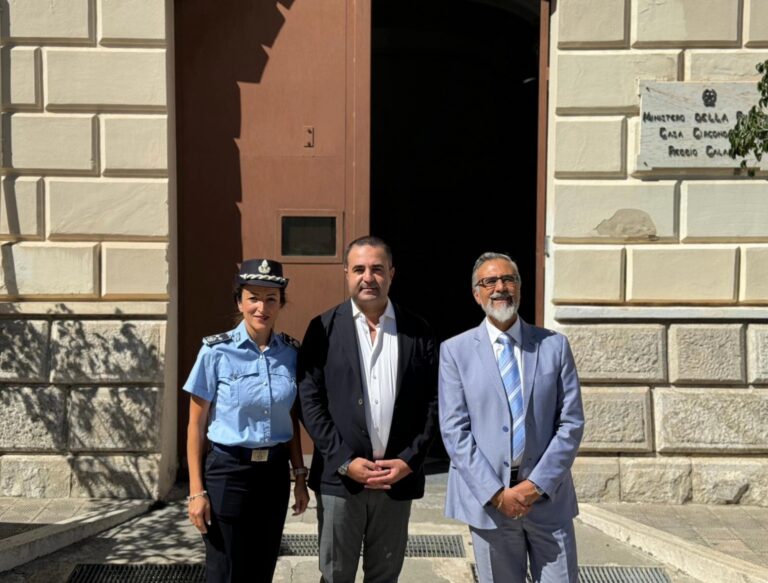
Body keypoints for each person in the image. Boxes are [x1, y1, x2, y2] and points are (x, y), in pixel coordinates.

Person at [298, 236, 439, 583]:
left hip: (396, 481)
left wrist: (410, 459)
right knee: (335, 576)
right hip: (340, 480)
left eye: (377, 269)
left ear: (391, 273)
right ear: (346, 273)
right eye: (359, 269)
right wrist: (344, 459)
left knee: (385, 577)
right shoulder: (322, 329)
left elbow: (435, 402)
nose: (368, 277)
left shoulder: (417, 331)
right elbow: (309, 401)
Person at [438, 252, 584, 583]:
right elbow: (454, 430)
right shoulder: (455, 351)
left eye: (509, 280)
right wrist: (497, 493)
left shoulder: (554, 346)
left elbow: (571, 423)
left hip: (548, 500)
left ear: (519, 288)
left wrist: (536, 485)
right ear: (476, 293)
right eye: (489, 281)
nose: (500, 288)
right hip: (489, 504)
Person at [184, 258, 310, 583]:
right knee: (225, 571)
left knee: (261, 567)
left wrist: (299, 475)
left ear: (281, 303)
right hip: (228, 473)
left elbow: (290, 417)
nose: (261, 307)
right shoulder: (215, 352)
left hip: (273, 476)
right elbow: (196, 426)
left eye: (271, 299)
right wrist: (196, 492)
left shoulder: (291, 354)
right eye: (253, 297)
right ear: (240, 301)